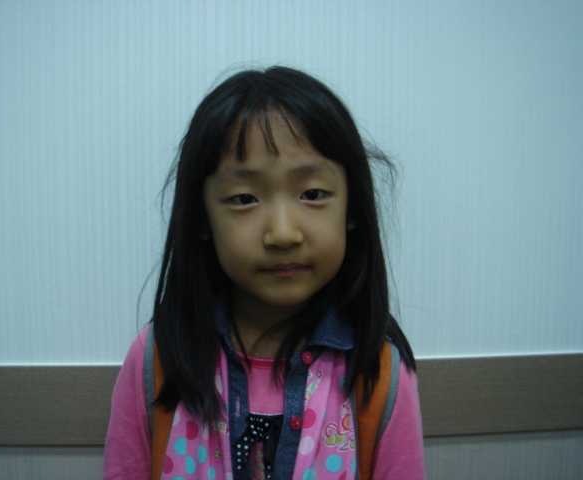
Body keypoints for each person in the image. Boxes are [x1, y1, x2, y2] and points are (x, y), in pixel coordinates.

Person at [103, 66, 425, 480]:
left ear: (352, 209)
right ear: (202, 218)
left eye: (312, 194)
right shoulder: (157, 359)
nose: (283, 234)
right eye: (244, 198)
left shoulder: (379, 373)